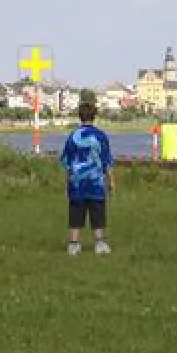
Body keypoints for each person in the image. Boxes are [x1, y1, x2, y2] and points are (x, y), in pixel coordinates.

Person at [60, 101, 115, 256]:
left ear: (80, 117)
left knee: (76, 213)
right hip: (96, 183)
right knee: (97, 212)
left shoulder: (73, 137)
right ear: (94, 116)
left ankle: (73, 244)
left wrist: (66, 184)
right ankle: (99, 243)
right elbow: (106, 161)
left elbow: (68, 163)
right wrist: (111, 181)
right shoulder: (101, 136)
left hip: (76, 183)